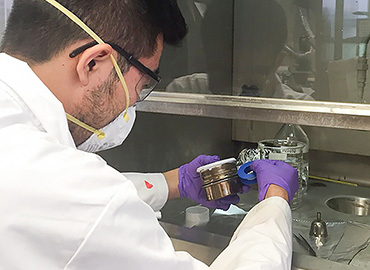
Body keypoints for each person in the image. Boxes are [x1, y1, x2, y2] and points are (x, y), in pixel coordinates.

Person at [0, 0, 298, 269]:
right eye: (142, 84)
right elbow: (85, 204)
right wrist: (274, 202)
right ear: (93, 63)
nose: (133, 101)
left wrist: (173, 182)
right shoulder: (74, 195)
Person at [166, 0, 315, 100]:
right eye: (225, 73)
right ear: (206, 55)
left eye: (253, 73)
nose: (237, 88)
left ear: (278, 61)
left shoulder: (302, 112)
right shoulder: (183, 96)